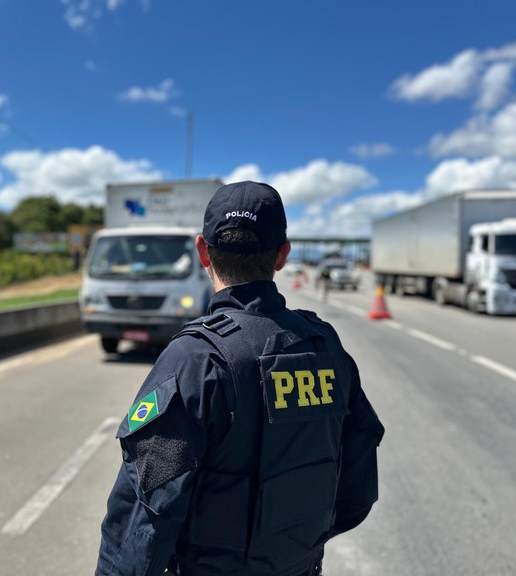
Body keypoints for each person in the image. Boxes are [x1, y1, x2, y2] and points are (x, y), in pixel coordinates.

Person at [95, 181, 384, 576]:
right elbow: (358, 483)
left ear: (202, 251)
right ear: (282, 254)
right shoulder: (325, 345)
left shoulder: (197, 358)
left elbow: (146, 512)